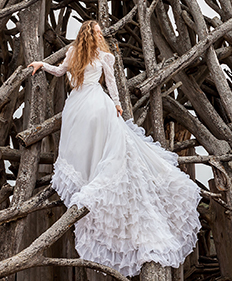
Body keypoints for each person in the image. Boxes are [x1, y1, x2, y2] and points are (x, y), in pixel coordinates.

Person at [28, 20, 201, 277]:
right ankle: (95, 176)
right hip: (93, 103)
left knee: (87, 144)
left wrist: (43, 65)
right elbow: (110, 84)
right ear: (91, 35)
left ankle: (90, 177)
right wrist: (117, 104)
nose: (100, 35)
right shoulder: (100, 56)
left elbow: (60, 71)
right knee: (98, 143)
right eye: (97, 32)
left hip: (80, 105)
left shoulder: (76, 53)